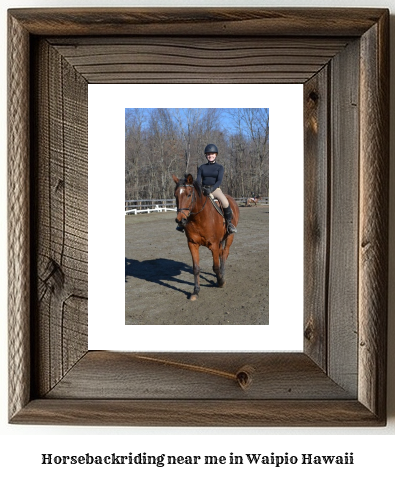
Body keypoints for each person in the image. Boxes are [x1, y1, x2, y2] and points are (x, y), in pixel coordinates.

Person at [176, 143, 237, 234]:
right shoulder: (202, 167)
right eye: (208, 154)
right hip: (203, 189)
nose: (210, 156)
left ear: (216, 155)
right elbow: (198, 180)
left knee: (225, 202)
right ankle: (182, 223)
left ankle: (229, 224)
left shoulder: (220, 167)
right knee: (192, 202)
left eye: (212, 154)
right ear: (206, 156)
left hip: (215, 189)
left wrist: (211, 189)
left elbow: (219, 181)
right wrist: (201, 189)